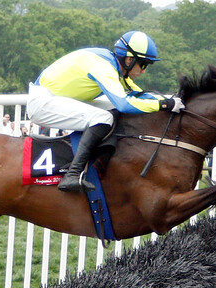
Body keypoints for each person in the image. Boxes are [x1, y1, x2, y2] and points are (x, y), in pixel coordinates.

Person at [27, 30, 184, 193]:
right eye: (143, 64)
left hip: (58, 99)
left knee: (112, 110)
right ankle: (73, 174)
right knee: (104, 117)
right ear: (129, 59)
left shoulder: (114, 67)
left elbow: (139, 95)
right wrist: (164, 105)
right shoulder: (105, 68)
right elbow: (125, 104)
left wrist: (170, 101)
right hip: (43, 103)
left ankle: (100, 161)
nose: (144, 71)